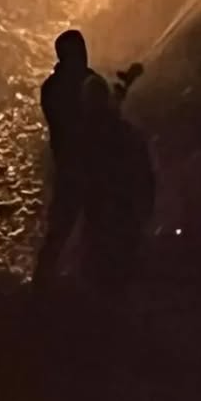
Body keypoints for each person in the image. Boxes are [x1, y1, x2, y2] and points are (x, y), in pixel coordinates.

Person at [32, 29, 101, 289]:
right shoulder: (80, 86)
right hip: (78, 166)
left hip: (74, 165)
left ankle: (50, 282)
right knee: (70, 224)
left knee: (68, 226)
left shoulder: (53, 87)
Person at [77, 73, 155, 294]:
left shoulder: (85, 137)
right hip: (124, 220)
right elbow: (146, 177)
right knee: (120, 282)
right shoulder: (128, 134)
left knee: (98, 283)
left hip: (103, 220)